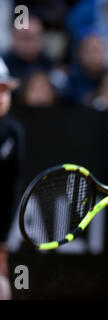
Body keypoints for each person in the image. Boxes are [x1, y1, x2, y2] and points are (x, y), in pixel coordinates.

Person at [0, 57, 24, 300]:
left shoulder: (12, 132)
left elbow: (9, 188)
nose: (2, 97)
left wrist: (2, 243)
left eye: (5, 90)